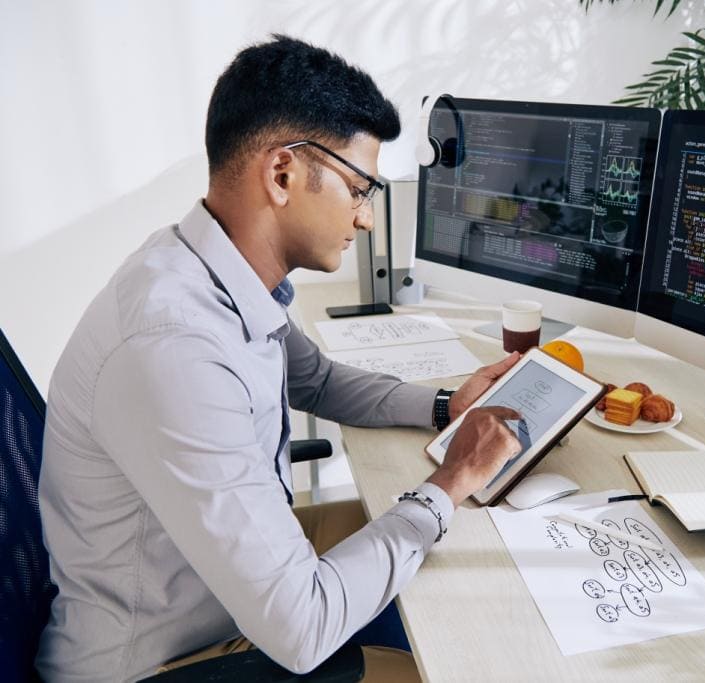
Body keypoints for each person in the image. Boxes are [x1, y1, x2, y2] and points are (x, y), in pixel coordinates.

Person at [35, 35, 522, 681]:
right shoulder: (174, 343)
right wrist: (450, 481)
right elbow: (302, 625)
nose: (367, 219)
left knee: (452, 559)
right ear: (283, 173)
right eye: (358, 188)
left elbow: (314, 378)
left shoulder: (204, 266)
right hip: (166, 661)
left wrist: (444, 405)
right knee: (463, 654)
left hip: (208, 598)